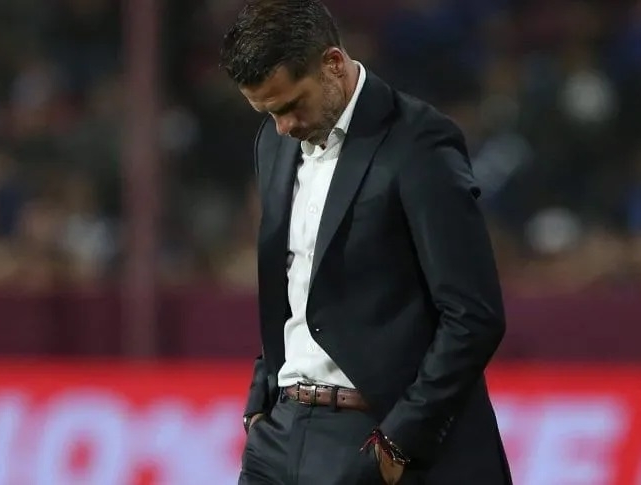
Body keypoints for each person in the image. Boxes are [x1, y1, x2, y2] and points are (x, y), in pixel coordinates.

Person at [219, 1, 513, 484]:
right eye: (268, 112)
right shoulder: (272, 144)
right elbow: (289, 287)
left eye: (291, 105)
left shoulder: (418, 142)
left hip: (371, 432)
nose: (283, 127)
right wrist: (261, 402)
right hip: (279, 435)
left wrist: (400, 440)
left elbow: (473, 315)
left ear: (333, 63)